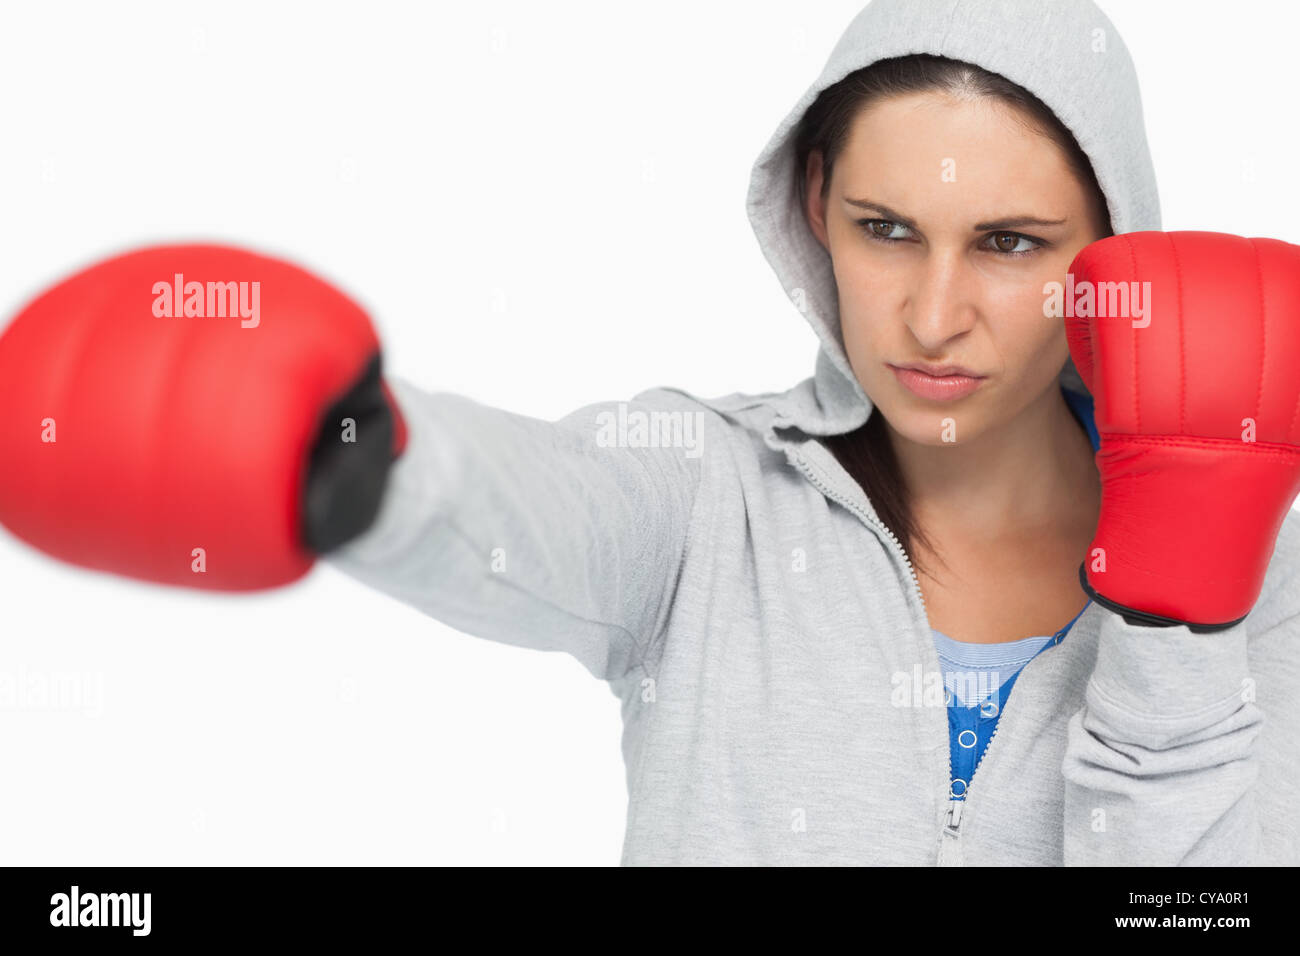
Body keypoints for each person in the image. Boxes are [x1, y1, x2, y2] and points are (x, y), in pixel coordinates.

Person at [2, 0, 1298, 866]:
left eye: (1009, 244)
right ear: (812, 212)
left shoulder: (1270, 574)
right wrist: (356, 455)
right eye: (884, 228)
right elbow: (531, 502)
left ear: (1114, 262)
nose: (932, 313)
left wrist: (1177, 630)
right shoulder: (707, 497)